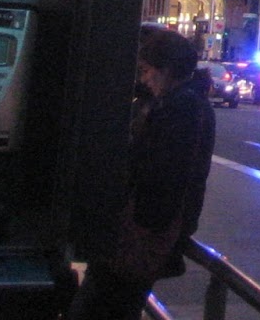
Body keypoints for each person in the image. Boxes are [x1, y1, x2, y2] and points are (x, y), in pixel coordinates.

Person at [69, 28, 216, 320]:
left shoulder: (181, 108)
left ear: (166, 70)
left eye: (147, 71)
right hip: (142, 231)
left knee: (102, 305)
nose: (144, 78)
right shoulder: (181, 102)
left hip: (141, 234)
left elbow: (161, 174)